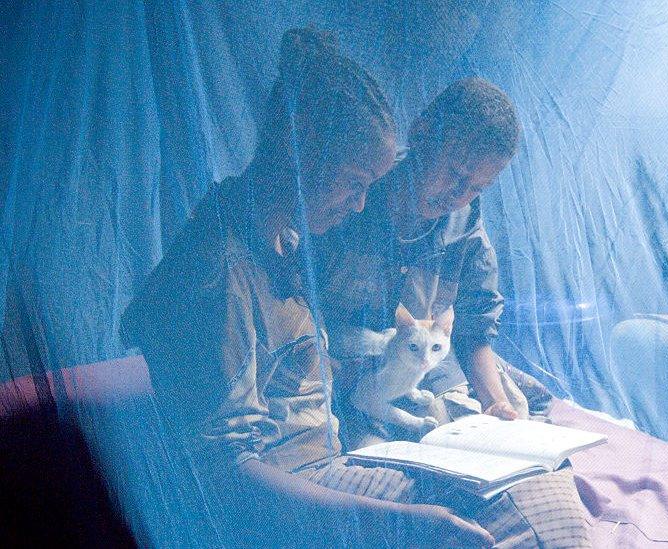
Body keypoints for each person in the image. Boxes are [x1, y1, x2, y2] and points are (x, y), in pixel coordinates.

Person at [120, 28, 497, 548]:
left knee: (497, 488)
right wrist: (388, 522)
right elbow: (228, 480)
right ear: (299, 157)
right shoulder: (222, 270)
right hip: (276, 510)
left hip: (328, 462)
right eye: (353, 183)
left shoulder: (284, 240)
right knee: (478, 515)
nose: (360, 206)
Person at [314, 77, 592, 547]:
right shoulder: (351, 199)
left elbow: (475, 329)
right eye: (455, 173)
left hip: (430, 364)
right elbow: (305, 310)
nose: (458, 194)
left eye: (477, 186)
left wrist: (493, 402)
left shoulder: (467, 230)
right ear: (421, 134)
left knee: (522, 426)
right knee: (377, 459)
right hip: (348, 368)